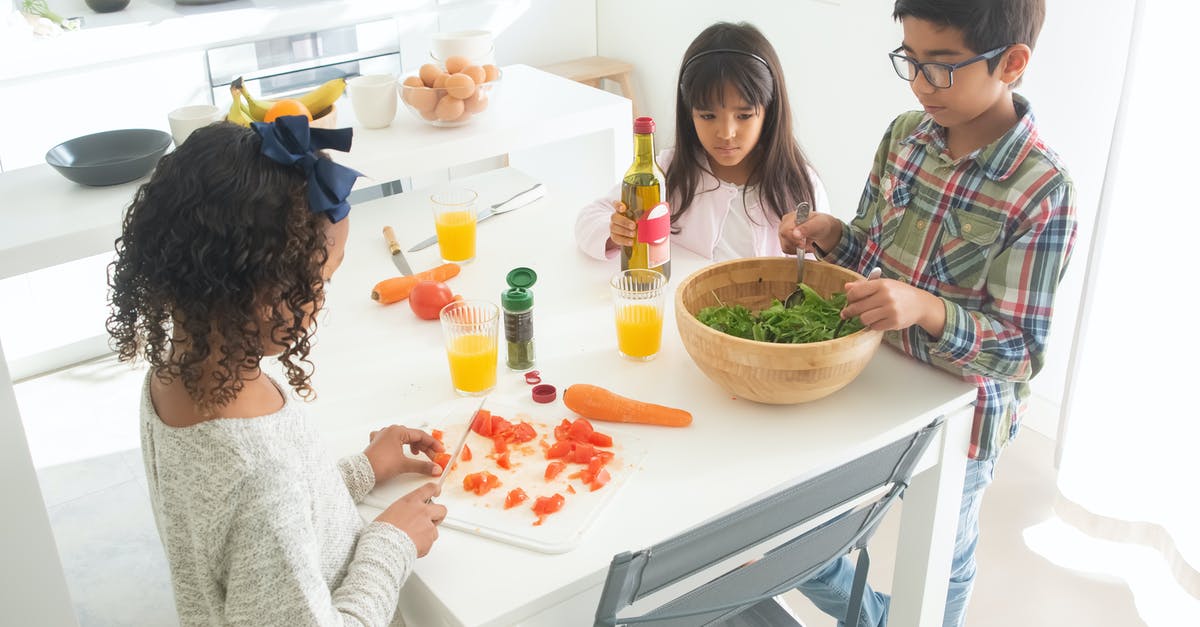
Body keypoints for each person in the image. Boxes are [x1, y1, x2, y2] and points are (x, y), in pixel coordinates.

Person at [781, 1, 1076, 625]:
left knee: (941, 555)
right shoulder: (903, 137)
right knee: (799, 536)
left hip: (961, 416)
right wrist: (834, 236)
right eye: (909, 61)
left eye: (941, 66)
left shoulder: (1041, 190)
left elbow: (1021, 351)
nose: (919, 83)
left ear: (1013, 63)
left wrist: (928, 310)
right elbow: (871, 256)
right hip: (870, 376)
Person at [107, 118, 448, 626]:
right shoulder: (260, 476)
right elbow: (266, 508)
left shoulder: (178, 373)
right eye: (323, 279)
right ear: (266, 296)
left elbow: (259, 535)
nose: (321, 298)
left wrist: (361, 471)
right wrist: (391, 543)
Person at [575, 21, 829, 262]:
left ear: (769, 111)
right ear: (690, 113)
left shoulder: (798, 185)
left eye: (744, 115)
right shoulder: (667, 170)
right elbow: (588, 219)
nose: (726, 132)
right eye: (708, 116)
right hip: (684, 303)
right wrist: (614, 232)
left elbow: (819, 272)